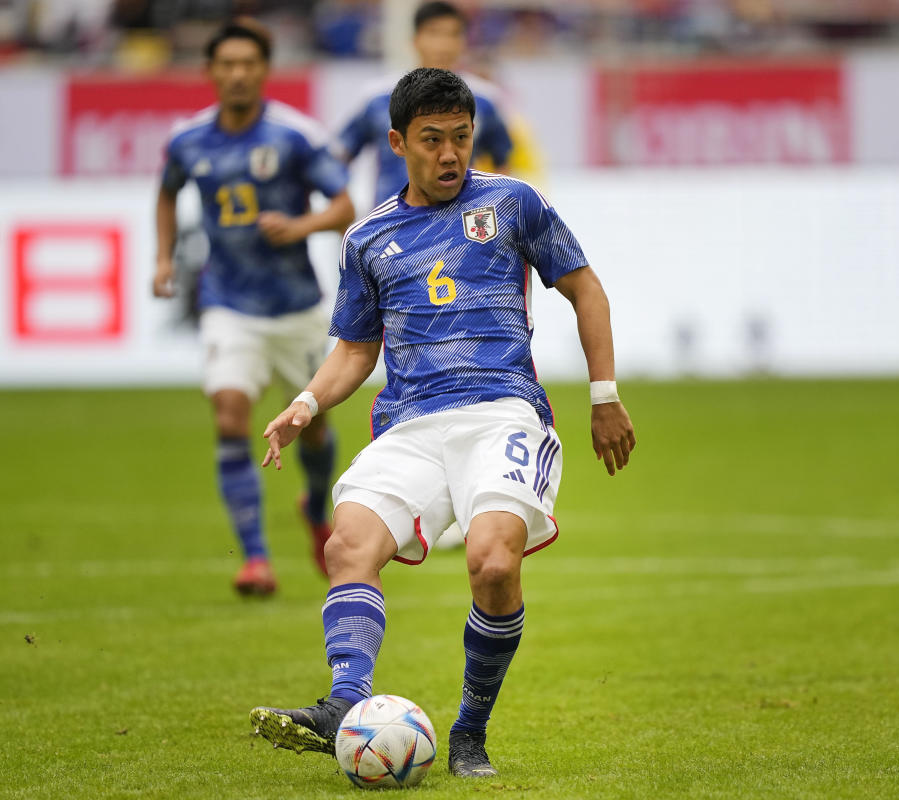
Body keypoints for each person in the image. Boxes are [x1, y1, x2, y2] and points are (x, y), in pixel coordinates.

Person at [248, 68, 635, 778]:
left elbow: (585, 288)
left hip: (501, 413)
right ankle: (344, 702)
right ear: (398, 143)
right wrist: (305, 404)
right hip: (412, 424)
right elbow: (357, 348)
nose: (451, 154)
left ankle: (468, 731)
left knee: (492, 563)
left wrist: (604, 394)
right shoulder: (368, 238)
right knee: (348, 547)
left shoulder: (513, 203)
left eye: (461, 138)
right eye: (433, 141)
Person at [153, 19, 355, 596]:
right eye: (228, 64)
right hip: (228, 304)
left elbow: (345, 204)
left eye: (249, 64)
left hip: (297, 308)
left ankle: (315, 509)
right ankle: (257, 560)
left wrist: (300, 225)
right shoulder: (189, 140)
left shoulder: (295, 136)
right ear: (211, 71)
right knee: (229, 416)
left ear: (264, 71)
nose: (238, 74)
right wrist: (164, 259)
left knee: (312, 431)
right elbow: (167, 191)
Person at [331, 0, 513, 208]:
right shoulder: (378, 98)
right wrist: (344, 207)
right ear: (415, 40)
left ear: (464, 42)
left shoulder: (484, 100)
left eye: (452, 34)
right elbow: (339, 156)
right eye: (434, 33)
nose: (443, 44)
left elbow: (503, 161)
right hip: (390, 228)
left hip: (456, 229)